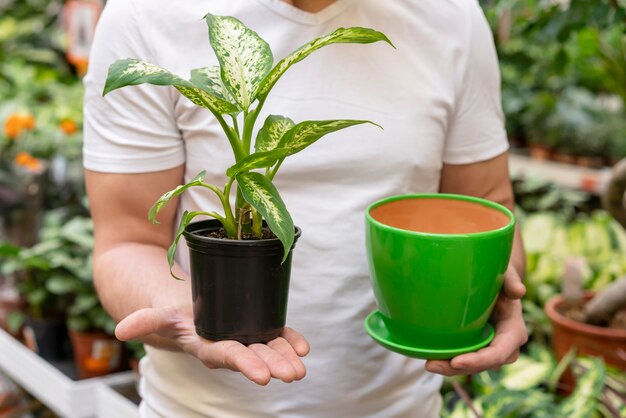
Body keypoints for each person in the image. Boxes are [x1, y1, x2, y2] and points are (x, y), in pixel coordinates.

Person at [82, 0, 528, 416]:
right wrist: (190, 313)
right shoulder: (147, 14)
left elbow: (488, 204)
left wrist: (497, 294)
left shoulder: (452, 16)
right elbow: (127, 242)